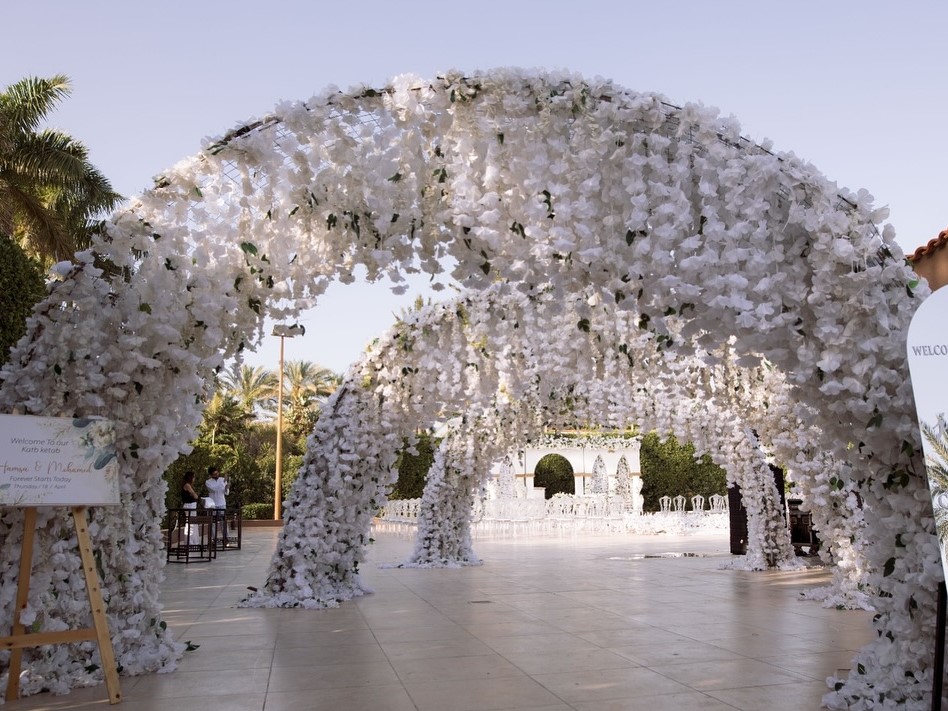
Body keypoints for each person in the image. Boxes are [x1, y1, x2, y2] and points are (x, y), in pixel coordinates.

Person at [205, 466, 230, 547]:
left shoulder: (222, 480)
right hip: (212, 504)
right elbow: (214, 490)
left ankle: (225, 538)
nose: (217, 475)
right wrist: (223, 482)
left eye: (217, 473)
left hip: (222, 503)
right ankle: (214, 539)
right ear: (211, 475)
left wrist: (226, 487)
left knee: (223, 522)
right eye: (214, 474)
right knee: (213, 523)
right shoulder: (208, 482)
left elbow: (226, 493)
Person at [180, 471, 199, 546]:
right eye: (193, 477)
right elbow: (195, 495)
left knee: (193, 523)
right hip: (189, 505)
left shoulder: (187, 485)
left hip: (191, 505)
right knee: (191, 524)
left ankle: (194, 541)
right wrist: (196, 495)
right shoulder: (187, 485)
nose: (194, 479)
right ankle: (190, 542)